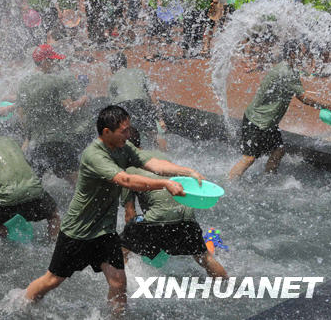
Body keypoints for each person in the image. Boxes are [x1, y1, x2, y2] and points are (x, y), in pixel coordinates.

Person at [25, 106, 204, 316]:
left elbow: (152, 162)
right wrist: (165, 184)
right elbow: (125, 180)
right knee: (53, 280)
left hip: (105, 231)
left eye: (129, 130)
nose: (128, 135)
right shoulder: (94, 155)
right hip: (78, 232)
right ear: (106, 132)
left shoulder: (123, 147)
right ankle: (21, 304)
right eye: (124, 131)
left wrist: (187, 171)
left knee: (119, 282)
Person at [120, 127, 227, 277]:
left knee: (120, 250)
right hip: (186, 213)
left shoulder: (127, 169)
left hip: (159, 217)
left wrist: (133, 239)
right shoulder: (159, 157)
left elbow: (129, 214)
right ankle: (227, 288)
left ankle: (124, 286)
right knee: (204, 257)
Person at [228, 40, 331, 179]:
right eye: (302, 52)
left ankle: (269, 179)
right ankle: (228, 185)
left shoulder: (287, 68)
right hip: (257, 121)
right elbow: (303, 97)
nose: (304, 55)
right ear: (293, 54)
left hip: (267, 122)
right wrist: (330, 106)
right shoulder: (286, 71)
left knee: (278, 150)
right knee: (249, 158)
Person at [0, 115, 61, 244]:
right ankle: (54, 245)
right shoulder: (11, 142)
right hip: (34, 194)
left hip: (5, 200)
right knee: (53, 213)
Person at [16, 44, 89, 184]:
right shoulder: (56, 80)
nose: (55, 63)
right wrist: (83, 99)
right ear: (44, 61)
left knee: (34, 184)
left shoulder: (23, 83)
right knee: (77, 181)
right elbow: (70, 108)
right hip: (57, 140)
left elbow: (21, 114)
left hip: (35, 143)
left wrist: (29, 136)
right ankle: (86, 205)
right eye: (52, 60)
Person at [108, 52, 167, 150]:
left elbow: (112, 106)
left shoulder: (112, 79)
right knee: (154, 134)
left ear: (112, 66)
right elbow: (153, 95)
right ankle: (166, 158)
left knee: (125, 135)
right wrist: (160, 119)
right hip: (141, 102)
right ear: (125, 63)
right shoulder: (140, 72)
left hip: (122, 105)